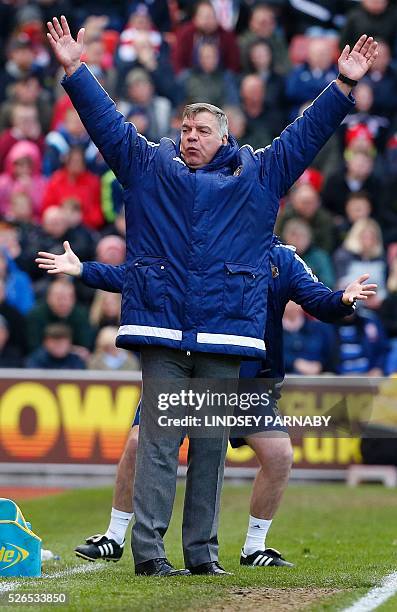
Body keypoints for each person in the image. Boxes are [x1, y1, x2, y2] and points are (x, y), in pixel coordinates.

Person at [46, 16, 377, 577]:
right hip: (163, 328)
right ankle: (149, 555)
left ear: (225, 137)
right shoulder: (148, 164)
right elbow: (105, 123)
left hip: (226, 329)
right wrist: (76, 70)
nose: (190, 137)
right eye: (185, 129)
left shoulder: (260, 174)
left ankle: (202, 555)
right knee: (156, 442)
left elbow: (306, 133)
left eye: (201, 130)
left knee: (209, 448)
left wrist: (343, 87)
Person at [36, 239, 376, 566]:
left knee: (279, 455)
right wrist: (84, 271)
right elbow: (138, 276)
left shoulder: (280, 259)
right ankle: (113, 535)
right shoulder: (197, 247)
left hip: (248, 380)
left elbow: (316, 299)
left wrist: (342, 300)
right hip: (189, 369)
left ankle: (255, 546)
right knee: (139, 442)